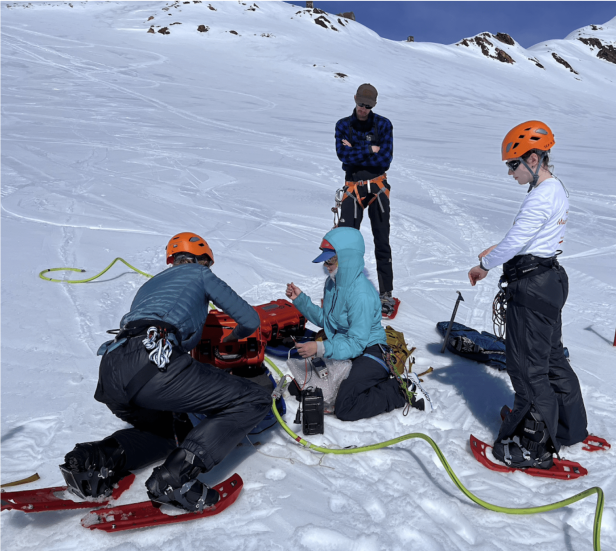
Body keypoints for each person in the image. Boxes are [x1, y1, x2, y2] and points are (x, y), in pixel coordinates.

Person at [60, 232, 272, 512]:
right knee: (253, 399)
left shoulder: (150, 285)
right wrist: (233, 337)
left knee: (174, 431)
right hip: (153, 361)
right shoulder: (199, 274)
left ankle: (95, 460)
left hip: (112, 368)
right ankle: (175, 479)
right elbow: (250, 318)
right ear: (202, 260)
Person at [467, 121, 588, 469]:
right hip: (548, 279)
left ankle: (532, 447)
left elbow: (519, 238)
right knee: (550, 359)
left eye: (513, 164)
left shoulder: (541, 196)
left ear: (533, 159)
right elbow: (531, 237)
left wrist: (485, 265)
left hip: (533, 287)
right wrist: (502, 250)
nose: (510, 173)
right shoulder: (553, 189)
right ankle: (569, 427)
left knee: (527, 367)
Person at [285, 227, 430, 419]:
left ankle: (401, 389)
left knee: (346, 407)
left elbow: (356, 343)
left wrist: (320, 348)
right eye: (325, 261)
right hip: (346, 347)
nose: (327, 266)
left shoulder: (361, 295)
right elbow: (328, 321)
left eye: (331, 260)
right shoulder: (332, 283)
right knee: (299, 388)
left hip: (370, 350)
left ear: (347, 258)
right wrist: (301, 300)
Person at [334, 83, 397, 316]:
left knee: (382, 240)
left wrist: (357, 151)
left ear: (374, 105)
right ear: (355, 100)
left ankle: (385, 292)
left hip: (378, 188)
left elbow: (385, 159)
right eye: (361, 104)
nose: (363, 109)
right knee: (347, 243)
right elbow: (343, 155)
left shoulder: (383, 124)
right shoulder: (343, 125)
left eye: (368, 106)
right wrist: (371, 149)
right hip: (352, 188)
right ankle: (345, 289)